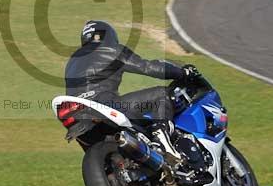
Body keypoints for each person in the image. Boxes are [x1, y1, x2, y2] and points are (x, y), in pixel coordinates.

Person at [64, 20, 192, 162]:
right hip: (105, 104)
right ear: (109, 36)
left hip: (77, 115)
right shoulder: (111, 49)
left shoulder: (72, 61)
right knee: (161, 94)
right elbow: (148, 67)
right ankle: (162, 141)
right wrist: (181, 72)